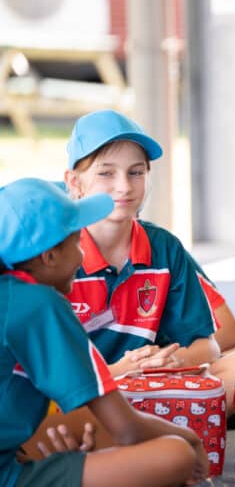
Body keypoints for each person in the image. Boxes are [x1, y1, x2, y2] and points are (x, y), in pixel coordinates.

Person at [62, 109, 235, 417]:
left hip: (149, 385)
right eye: (106, 173)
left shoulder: (164, 247)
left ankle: (150, 423)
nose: (124, 186)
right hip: (84, 392)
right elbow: (46, 369)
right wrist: (120, 370)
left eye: (136, 172)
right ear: (74, 183)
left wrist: (170, 360)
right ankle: (171, 422)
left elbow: (208, 345)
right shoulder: (56, 253)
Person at [0, 178, 209, 487]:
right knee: (175, 453)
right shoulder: (40, 304)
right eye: (76, 243)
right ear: (49, 257)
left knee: (90, 426)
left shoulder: (12, 293)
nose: (82, 255)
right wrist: (190, 437)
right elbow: (127, 428)